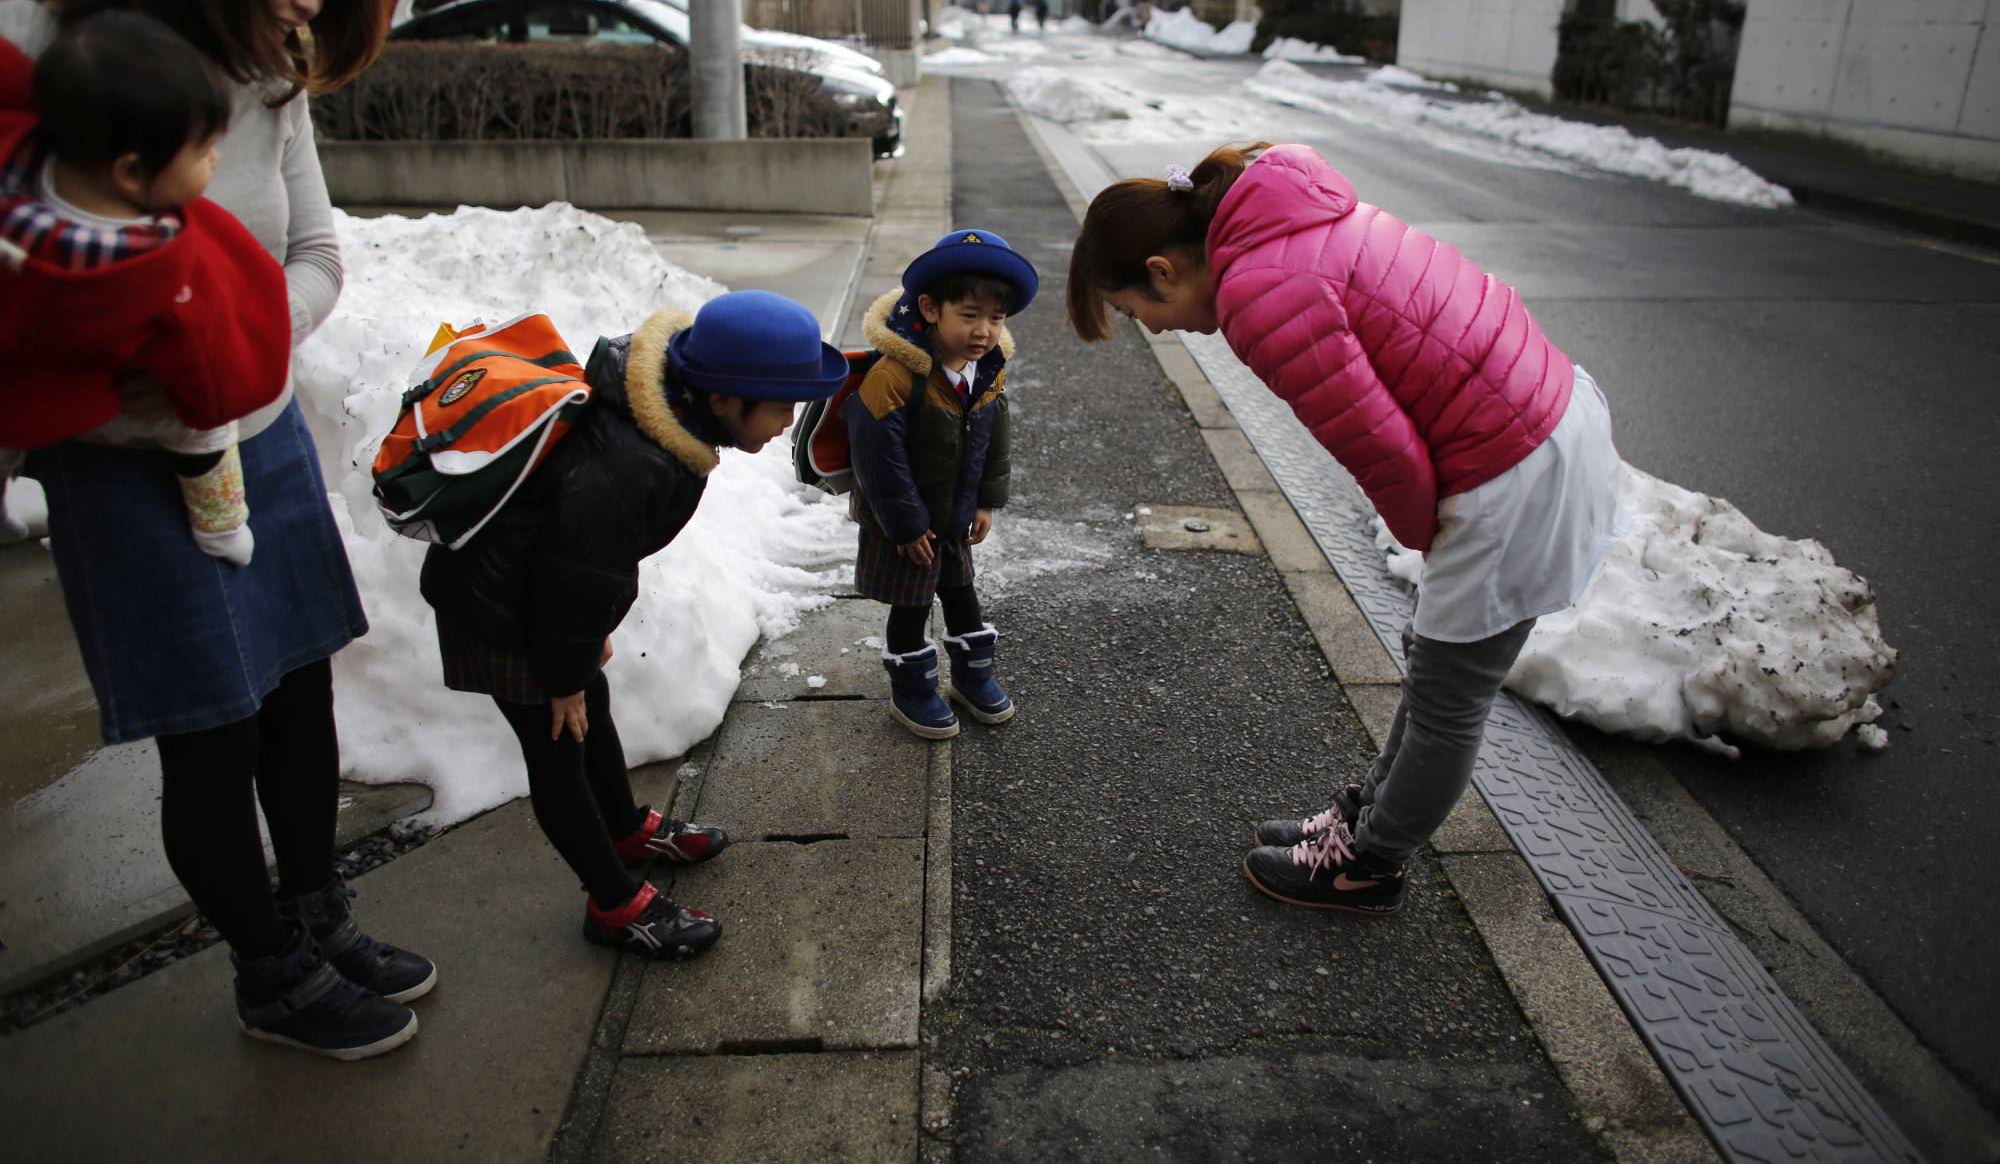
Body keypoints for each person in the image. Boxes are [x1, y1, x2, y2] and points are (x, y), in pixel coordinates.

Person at [2, 0, 434, 1060]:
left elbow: (320, 255)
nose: (307, 1)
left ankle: (317, 914)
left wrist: (224, 347)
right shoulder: (41, 49)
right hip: (118, 466)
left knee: (300, 688)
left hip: (260, 432)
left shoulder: (265, 80)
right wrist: (123, 374)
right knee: (211, 725)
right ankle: (269, 973)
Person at [1065, 144, 1623, 915]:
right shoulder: (1283, 223)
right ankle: (1373, 813)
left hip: (1514, 468)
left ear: (1164, 270)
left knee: (1448, 700)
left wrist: (1433, 541)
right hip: (1540, 413)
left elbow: (1383, 451)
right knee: (1435, 670)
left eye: (1137, 314)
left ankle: (1369, 862)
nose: (1156, 331)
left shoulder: (1261, 293)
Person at [419, 292, 850, 958]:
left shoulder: (663, 419)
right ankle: (614, 903)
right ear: (722, 399)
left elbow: (588, 561)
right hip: (503, 607)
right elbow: (575, 570)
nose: (785, 423)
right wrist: (564, 668)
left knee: (590, 706)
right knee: (557, 750)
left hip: (546, 596)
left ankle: (622, 825)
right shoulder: (632, 462)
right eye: (778, 405)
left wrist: (583, 645)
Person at [0, 11, 295, 568]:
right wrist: (213, 393)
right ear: (131, 173)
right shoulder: (159, 263)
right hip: (95, 394)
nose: (216, 159)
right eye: (205, 149)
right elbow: (206, 364)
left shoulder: (16, 166)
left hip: (21, 376)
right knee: (198, 424)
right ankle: (222, 524)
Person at [848, 229, 1036, 739]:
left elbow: (995, 439)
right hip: (904, 520)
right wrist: (906, 524)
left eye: (995, 318)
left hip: (954, 514)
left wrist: (987, 501)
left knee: (962, 596)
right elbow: (877, 460)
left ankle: (972, 678)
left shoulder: (986, 372)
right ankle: (911, 688)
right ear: (930, 309)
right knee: (910, 607)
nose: (984, 331)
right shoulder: (896, 375)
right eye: (969, 315)